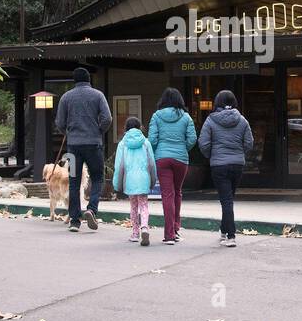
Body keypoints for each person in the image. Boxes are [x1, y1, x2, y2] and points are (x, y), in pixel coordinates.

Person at [54, 67, 111, 232]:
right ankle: (92, 209)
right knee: (98, 177)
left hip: (73, 147)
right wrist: (98, 131)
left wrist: (69, 133)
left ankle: (74, 221)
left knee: (73, 181)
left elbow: (59, 122)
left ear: (74, 80)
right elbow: (107, 118)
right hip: (93, 145)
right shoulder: (98, 95)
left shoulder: (66, 97)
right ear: (89, 79)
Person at [198, 89, 253, 248]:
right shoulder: (242, 120)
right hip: (237, 164)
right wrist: (240, 154)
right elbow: (249, 143)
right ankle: (224, 230)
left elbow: (204, 143)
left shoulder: (210, 120)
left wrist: (212, 155)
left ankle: (231, 235)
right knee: (228, 199)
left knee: (226, 200)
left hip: (219, 165)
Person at [148, 87, 197, 245]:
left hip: (162, 159)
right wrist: (182, 149)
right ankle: (176, 229)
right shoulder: (186, 117)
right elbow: (192, 139)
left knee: (167, 195)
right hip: (181, 159)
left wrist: (157, 154)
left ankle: (169, 235)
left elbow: (152, 140)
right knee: (177, 192)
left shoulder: (156, 116)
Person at [112, 116, 158, 246]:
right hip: (143, 178)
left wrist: (117, 183)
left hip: (129, 180)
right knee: (144, 205)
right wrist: (153, 180)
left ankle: (135, 233)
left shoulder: (122, 144)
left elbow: (119, 166)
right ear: (140, 127)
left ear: (126, 128)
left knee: (133, 205)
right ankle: (144, 227)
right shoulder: (146, 142)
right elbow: (152, 164)